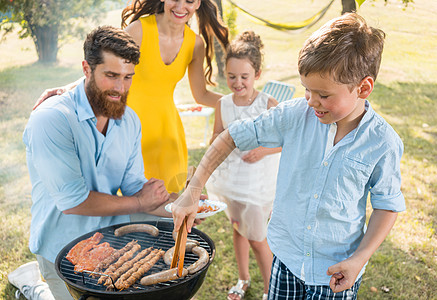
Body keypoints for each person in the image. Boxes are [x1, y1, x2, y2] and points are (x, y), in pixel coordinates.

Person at [172, 13, 406, 299]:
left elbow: (387, 205)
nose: (311, 101)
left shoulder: (383, 142)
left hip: (336, 271)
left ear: (363, 88)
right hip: (285, 259)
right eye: (307, 90)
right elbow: (229, 136)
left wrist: (359, 259)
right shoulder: (295, 114)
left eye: (323, 94)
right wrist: (193, 190)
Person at [20, 25, 171, 299]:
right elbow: (74, 201)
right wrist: (139, 203)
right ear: (86, 69)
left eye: (127, 77)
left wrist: (180, 206)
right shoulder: (51, 119)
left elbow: (134, 186)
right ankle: (32, 288)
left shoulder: (129, 121)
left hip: (110, 241)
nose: (120, 88)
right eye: (111, 76)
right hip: (60, 248)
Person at [34, 0, 229, 199]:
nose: (180, 7)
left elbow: (201, 95)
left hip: (167, 135)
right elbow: (106, 66)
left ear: (198, 3)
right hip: (125, 128)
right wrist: (68, 88)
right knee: (126, 203)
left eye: (189, 0)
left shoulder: (195, 44)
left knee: (166, 203)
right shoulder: (139, 30)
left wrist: (246, 103)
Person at [204, 30, 281, 300]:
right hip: (231, 184)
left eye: (244, 77)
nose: (237, 83)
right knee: (238, 229)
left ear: (257, 74)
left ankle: (272, 290)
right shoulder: (223, 104)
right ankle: (243, 278)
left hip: (257, 186)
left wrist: (263, 150)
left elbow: (288, 142)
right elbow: (216, 139)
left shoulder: (267, 104)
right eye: (231, 76)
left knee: (258, 239)